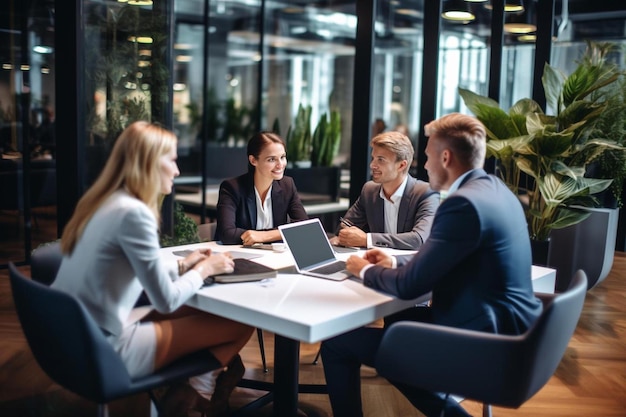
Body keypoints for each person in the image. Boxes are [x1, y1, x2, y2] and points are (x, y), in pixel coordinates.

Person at [320, 113, 543, 417]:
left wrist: (364, 269)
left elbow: (409, 285)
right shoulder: (495, 190)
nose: (423, 165)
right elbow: (454, 260)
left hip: (479, 342)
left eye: (427, 157)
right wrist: (394, 261)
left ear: (446, 157)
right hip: (509, 331)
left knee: (336, 342)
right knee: (400, 331)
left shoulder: (461, 203)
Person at [52, 121, 255, 417]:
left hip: (75, 334)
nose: (177, 170)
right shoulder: (135, 214)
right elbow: (167, 300)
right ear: (147, 163)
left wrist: (184, 263)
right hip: (105, 349)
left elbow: (128, 264)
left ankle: (186, 391)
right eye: (171, 160)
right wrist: (204, 269)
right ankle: (191, 395)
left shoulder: (106, 201)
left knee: (214, 313)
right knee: (240, 322)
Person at [330, 131, 438, 250]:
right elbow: (345, 227)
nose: (372, 165)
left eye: (380, 160)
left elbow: (418, 239)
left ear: (401, 165)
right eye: (373, 158)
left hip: (410, 266)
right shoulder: (369, 190)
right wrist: (346, 234)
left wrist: (367, 240)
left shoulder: (426, 193)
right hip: (375, 261)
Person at [216, 131, 308, 245]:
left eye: (282, 157)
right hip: (239, 255)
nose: (280, 164)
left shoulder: (287, 185)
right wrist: (282, 234)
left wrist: (263, 236)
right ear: (253, 160)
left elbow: (305, 227)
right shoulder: (232, 188)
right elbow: (227, 234)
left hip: (274, 255)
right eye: (271, 159)